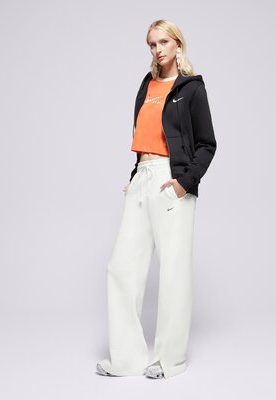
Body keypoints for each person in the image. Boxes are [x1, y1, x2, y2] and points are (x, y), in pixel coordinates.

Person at [96, 19, 217, 379]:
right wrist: (136, 177)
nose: (158, 49)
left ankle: (169, 360)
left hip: (171, 180)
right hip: (142, 178)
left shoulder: (191, 89)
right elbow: (146, 137)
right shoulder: (146, 85)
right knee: (121, 267)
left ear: (178, 44)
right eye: (152, 44)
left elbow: (207, 144)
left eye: (164, 41)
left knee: (173, 270)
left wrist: (184, 182)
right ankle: (126, 359)